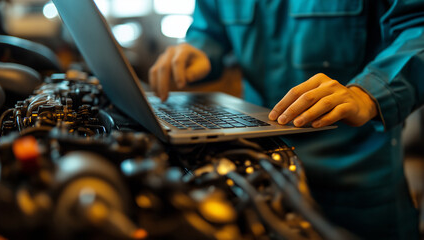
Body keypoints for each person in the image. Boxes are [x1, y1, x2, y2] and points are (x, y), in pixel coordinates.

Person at [149, 0, 424, 239]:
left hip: (355, 182)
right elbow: (209, 30)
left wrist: (370, 91)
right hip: (258, 169)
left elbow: (418, 25)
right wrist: (199, 49)